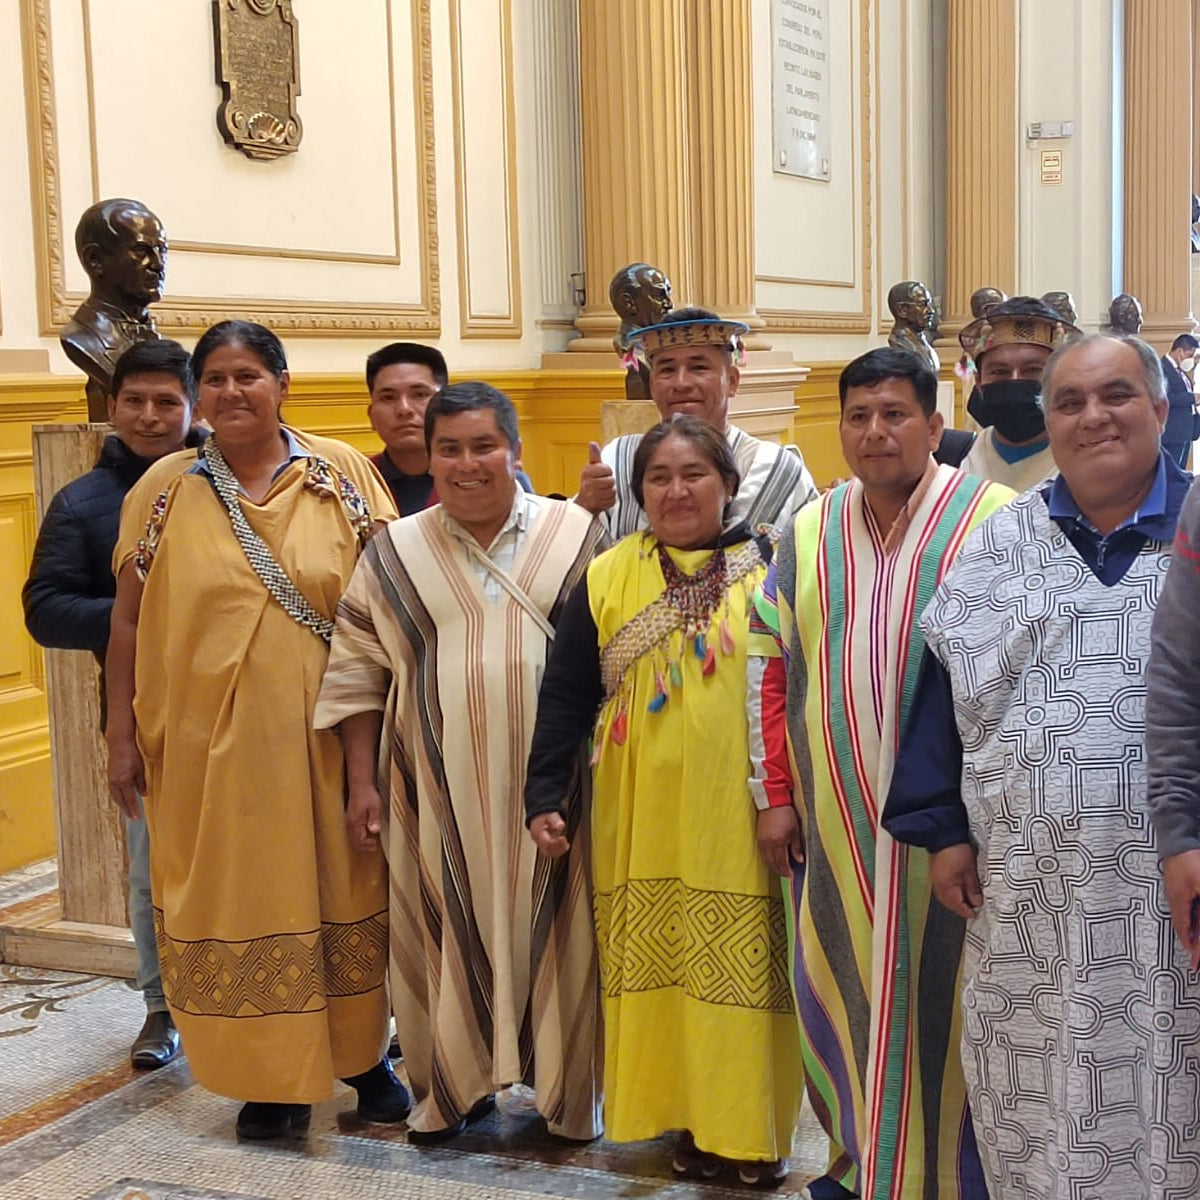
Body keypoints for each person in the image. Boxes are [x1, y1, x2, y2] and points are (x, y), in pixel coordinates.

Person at [884, 333, 1198, 1198]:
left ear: (1162, 412)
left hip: (1175, 894)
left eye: (1118, 396)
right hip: (1031, 899)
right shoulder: (997, 549)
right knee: (1041, 1091)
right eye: (1071, 403)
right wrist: (945, 834)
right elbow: (940, 703)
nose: (1094, 417)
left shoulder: (1197, 536)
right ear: (1049, 425)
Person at [106, 320, 408, 1141]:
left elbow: (389, 601)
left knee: (349, 890)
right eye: (215, 379)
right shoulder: (164, 489)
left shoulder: (341, 475)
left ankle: (362, 1060)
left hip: (334, 741)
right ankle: (268, 1079)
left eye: (248, 375)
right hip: (209, 754)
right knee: (243, 900)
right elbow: (128, 624)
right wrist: (121, 736)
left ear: (282, 383)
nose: (231, 393)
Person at [747, 348, 1011, 1200]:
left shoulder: (996, 519)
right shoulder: (807, 533)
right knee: (845, 984)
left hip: (958, 827)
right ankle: (857, 1158)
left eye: (895, 414)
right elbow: (770, 663)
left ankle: (953, 1172)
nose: (874, 432)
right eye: (858, 416)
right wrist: (775, 795)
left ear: (936, 427)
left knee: (955, 1000)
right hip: (836, 815)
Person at [314, 382, 606, 1144]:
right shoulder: (393, 551)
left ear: (514, 451)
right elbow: (355, 670)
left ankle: (568, 1098)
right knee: (445, 932)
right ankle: (451, 1089)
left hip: (563, 792)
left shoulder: (575, 535)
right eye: (450, 448)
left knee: (565, 934)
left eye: (484, 446)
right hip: (434, 791)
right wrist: (361, 783)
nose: (467, 464)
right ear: (430, 456)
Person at [526, 414, 803, 1187]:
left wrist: (787, 795)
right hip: (635, 809)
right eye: (659, 477)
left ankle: (747, 1130)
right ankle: (675, 1114)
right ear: (639, 490)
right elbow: (567, 692)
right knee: (659, 968)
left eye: (694, 475)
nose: (677, 490)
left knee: (744, 976)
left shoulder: (776, 567)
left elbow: (800, 690)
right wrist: (545, 792)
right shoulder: (608, 574)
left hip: (740, 814)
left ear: (727, 483)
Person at [23, 339, 203, 1070]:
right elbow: (45, 609)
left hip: (249, 706)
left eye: (167, 401)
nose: (150, 416)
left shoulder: (227, 486)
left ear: (193, 407)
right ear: (112, 406)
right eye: (135, 400)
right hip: (143, 710)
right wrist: (141, 614)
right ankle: (161, 1008)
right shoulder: (85, 501)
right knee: (148, 867)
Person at [576, 306, 818, 539]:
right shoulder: (617, 462)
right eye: (667, 370)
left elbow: (812, 563)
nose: (681, 383)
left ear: (732, 381)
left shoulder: (774, 470)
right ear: (652, 385)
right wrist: (584, 507)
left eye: (698, 368)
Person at [366, 341, 533, 513]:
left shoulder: (496, 478)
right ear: (371, 415)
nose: (404, 409)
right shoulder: (355, 481)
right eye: (388, 398)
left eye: (420, 394)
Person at [60, 198, 167, 421]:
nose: (158, 264)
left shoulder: (159, 340)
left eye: (162, 250)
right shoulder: (82, 339)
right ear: (95, 260)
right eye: (141, 251)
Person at [958, 295, 1080, 491]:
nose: (1015, 380)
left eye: (1033, 370)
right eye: (1000, 372)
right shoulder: (962, 460)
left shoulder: (1083, 461)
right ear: (979, 382)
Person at [1159, 332, 1198, 466]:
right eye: (1190, 355)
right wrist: (1192, 397)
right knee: (1172, 471)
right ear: (1180, 351)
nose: (1191, 360)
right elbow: (1164, 397)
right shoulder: (1162, 368)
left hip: (1185, 431)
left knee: (1181, 471)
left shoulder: (1180, 371)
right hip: (1172, 432)